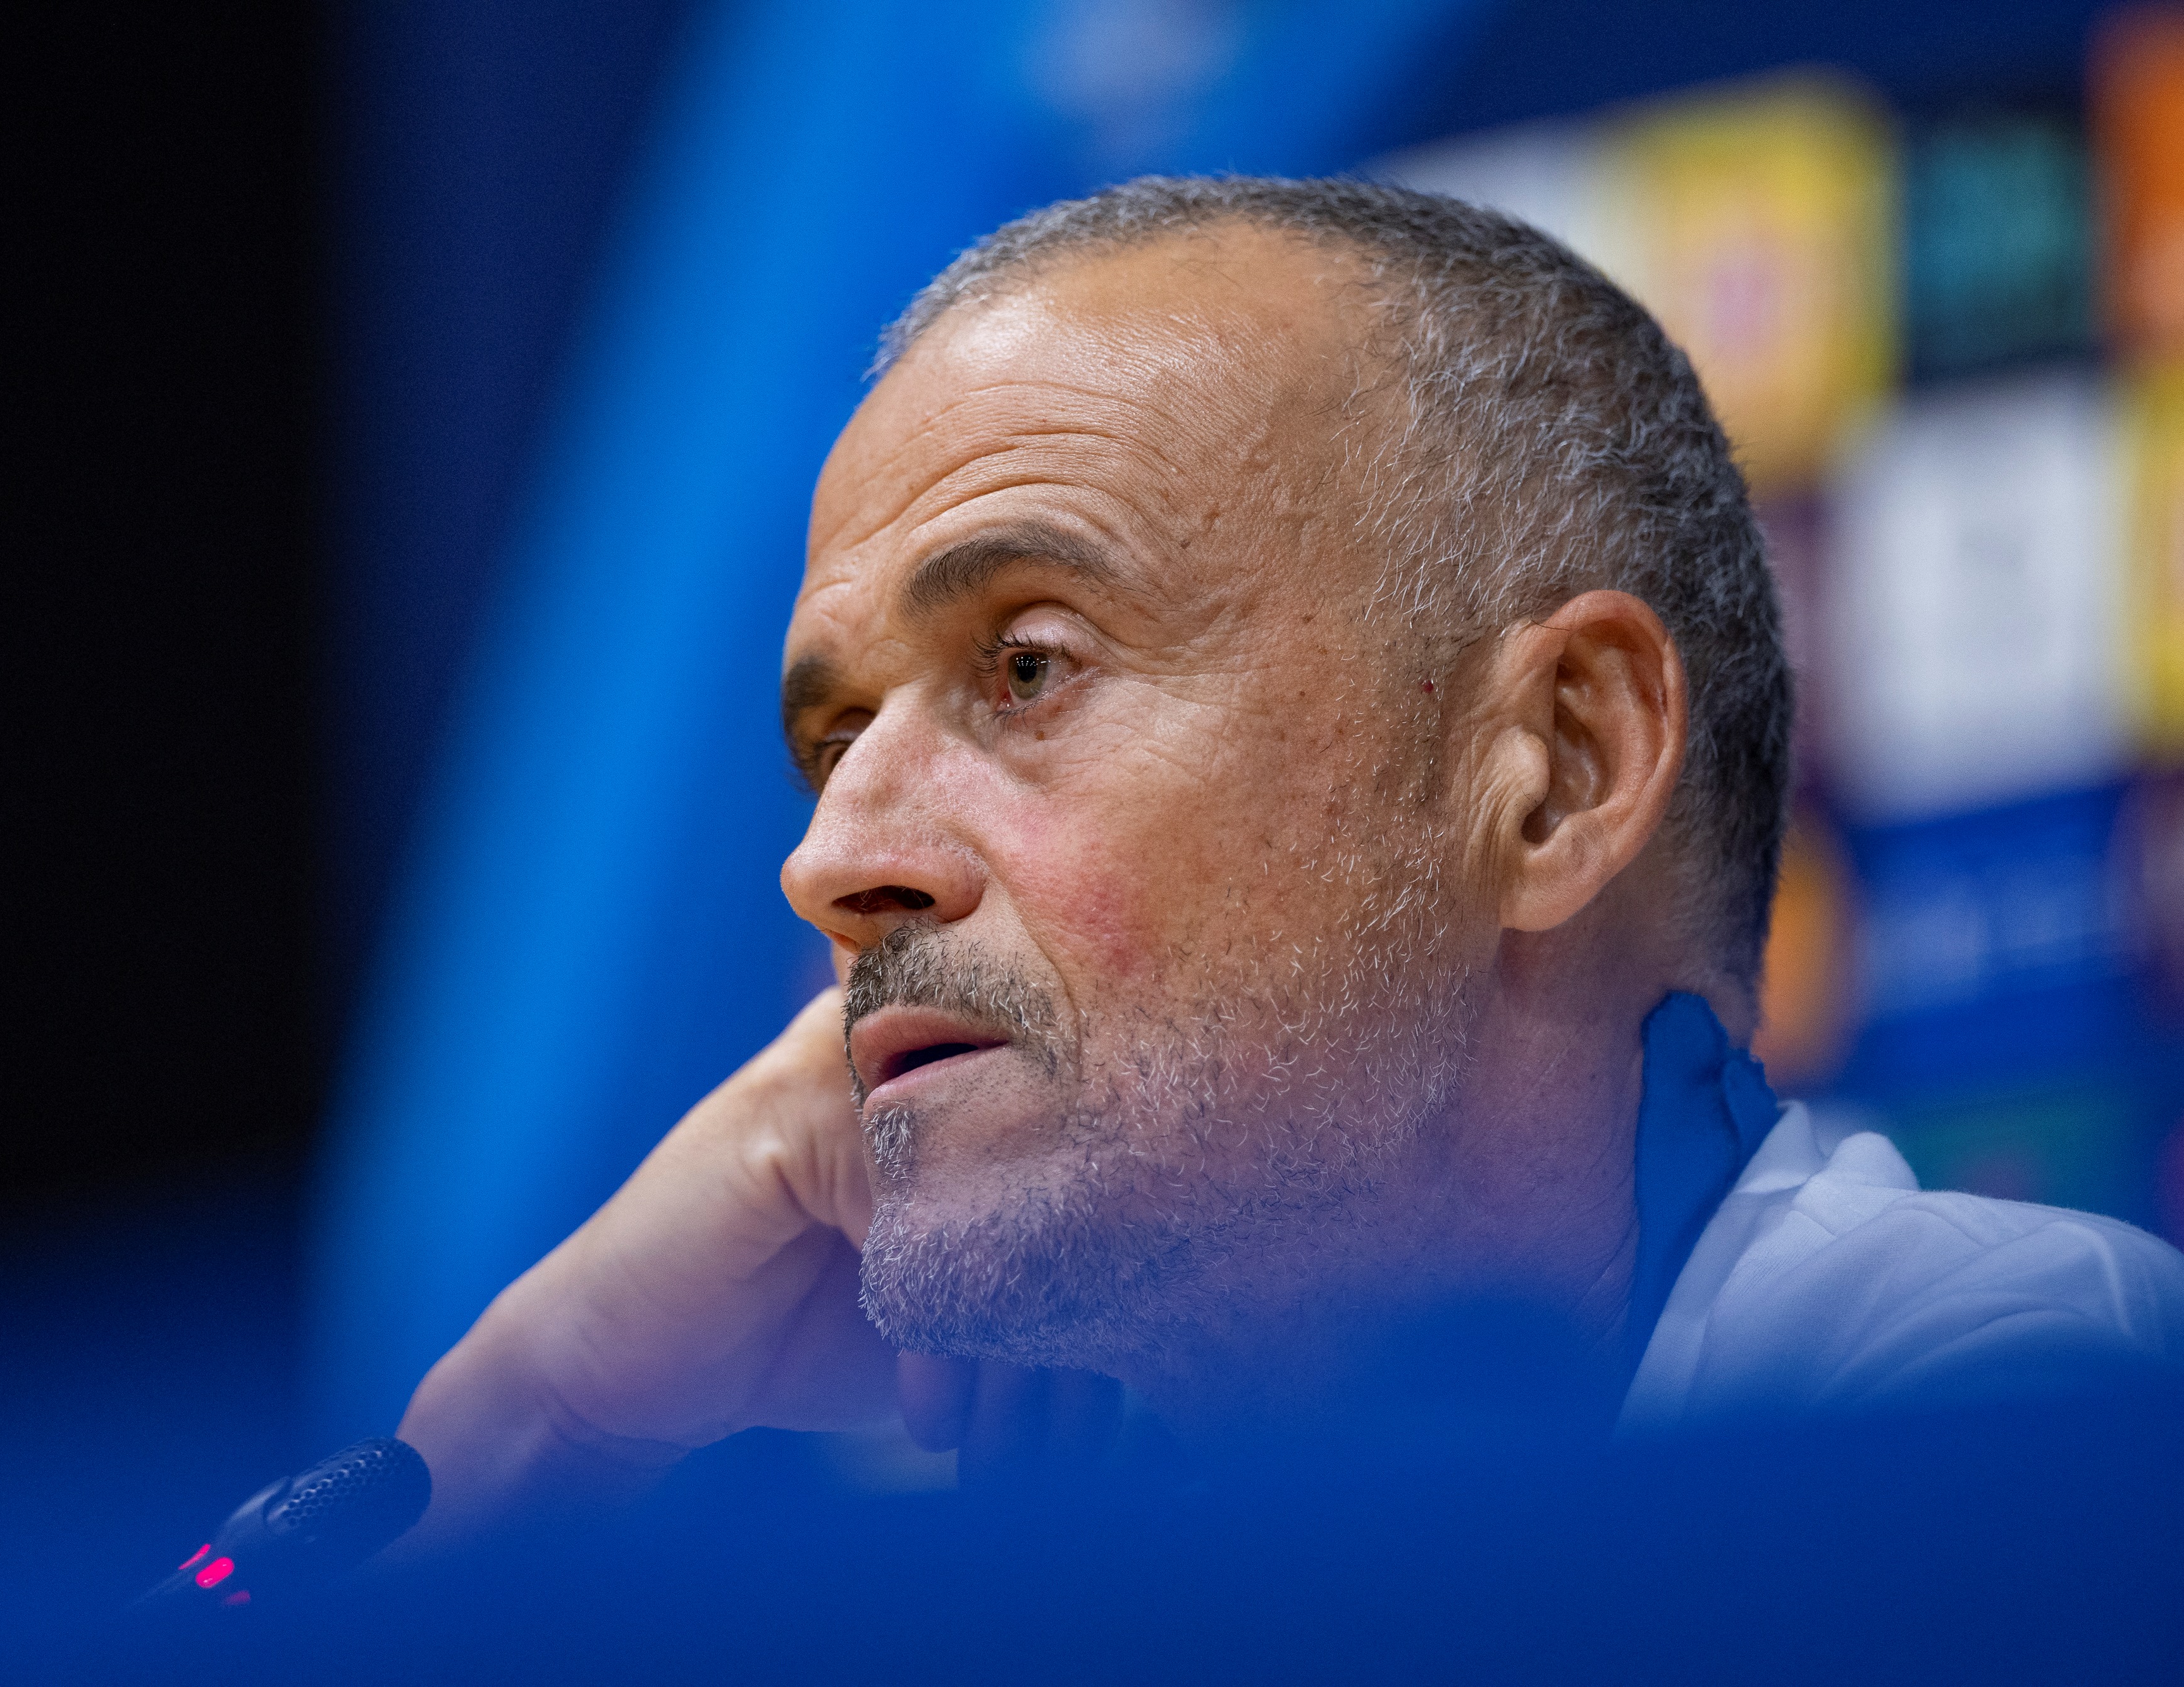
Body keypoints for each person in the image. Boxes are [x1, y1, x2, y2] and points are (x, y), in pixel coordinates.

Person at [392, 177, 2184, 1545]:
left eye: (1030, 664)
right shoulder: (966, 1567)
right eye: (834, 740)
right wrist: (518, 1424)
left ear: (1558, 770)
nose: (833, 857)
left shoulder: (2025, 1426)